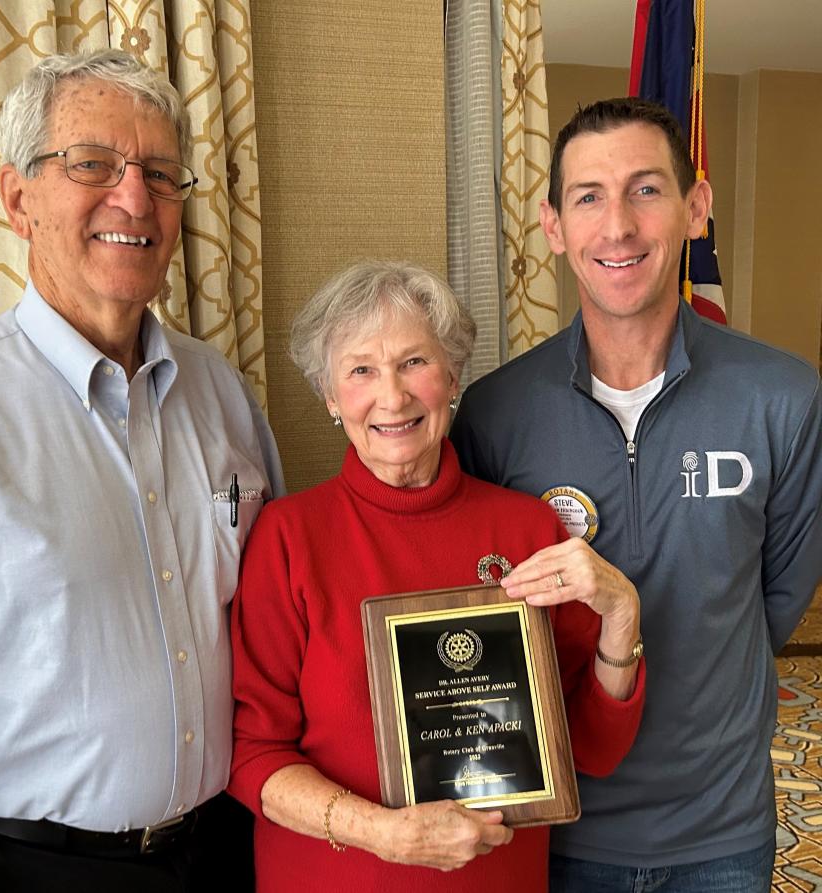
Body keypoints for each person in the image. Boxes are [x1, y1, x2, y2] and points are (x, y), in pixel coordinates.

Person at [0, 50, 283, 893]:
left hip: (230, 849)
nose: (134, 198)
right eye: (93, 164)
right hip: (32, 868)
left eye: (161, 174)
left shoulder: (226, 396)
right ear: (19, 199)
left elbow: (284, 624)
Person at [451, 97, 822, 892]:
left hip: (722, 832)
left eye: (646, 190)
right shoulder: (494, 412)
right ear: (552, 225)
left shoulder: (784, 397)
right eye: (588, 196)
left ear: (696, 208)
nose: (617, 225)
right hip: (562, 828)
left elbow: (775, 600)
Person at [227, 260, 645, 892]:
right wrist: (384, 833)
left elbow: (592, 747)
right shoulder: (288, 538)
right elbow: (252, 754)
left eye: (414, 363)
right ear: (330, 396)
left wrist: (621, 617)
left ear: (452, 378)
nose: (391, 396)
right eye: (361, 369)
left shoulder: (526, 530)